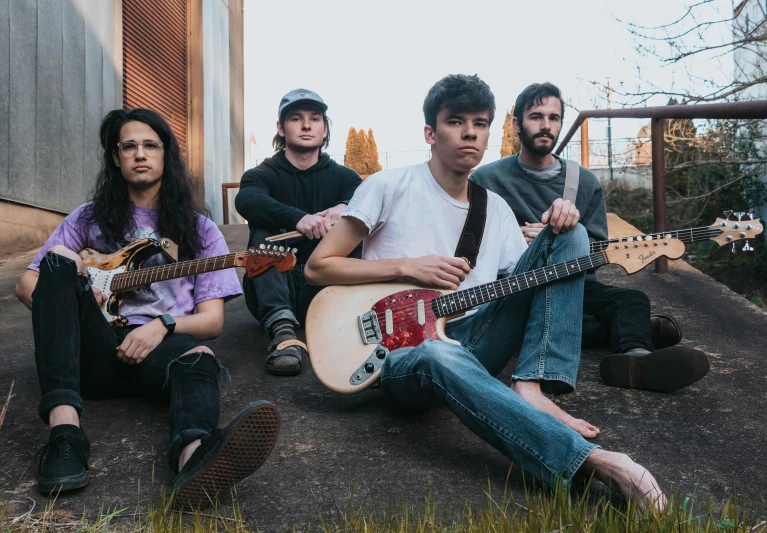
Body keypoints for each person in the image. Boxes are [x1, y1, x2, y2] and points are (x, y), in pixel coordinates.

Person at [304, 75, 666, 512]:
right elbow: (318, 266)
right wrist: (406, 265)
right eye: (455, 121)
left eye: (480, 123)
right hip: (402, 355)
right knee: (438, 354)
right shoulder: (388, 186)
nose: (470, 132)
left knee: (571, 235)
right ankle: (593, 462)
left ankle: (531, 385)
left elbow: (526, 287)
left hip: (475, 338)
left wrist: (560, 225)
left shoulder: (494, 208)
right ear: (430, 133)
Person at [15, 108, 279, 506]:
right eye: (129, 146)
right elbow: (26, 285)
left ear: (165, 155)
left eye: (150, 145)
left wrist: (163, 326)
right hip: (90, 351)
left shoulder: (201, 230)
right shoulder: (86, 219)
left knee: (201, 357)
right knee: (58, 261)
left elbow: (211, 322)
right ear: (116, 158)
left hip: (157, 352)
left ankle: (195, 460)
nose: (140, 153)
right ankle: (65, 437)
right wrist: (73, 299)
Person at [471, 82, 710, 392]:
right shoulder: (486, 179)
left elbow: (596, 254)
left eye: (554, 118)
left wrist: (563, 239)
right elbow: (470, 243)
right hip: (515, 289)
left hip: (571, 285)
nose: (546, 125)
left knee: (632, 299)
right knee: (552, 321)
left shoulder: (582, 181)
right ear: (517, 124)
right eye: (536, 116)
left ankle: (636, 360)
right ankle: (630, 330)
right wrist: (517, 243)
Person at [235, 89, 361, 376]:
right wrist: (298, 219)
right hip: (276, 289)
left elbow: (370, 202)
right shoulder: (261, 174)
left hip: (326, 284)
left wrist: (347, 206)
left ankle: (352, 329)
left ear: (324, 128)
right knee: (264, 234)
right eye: (296, 118)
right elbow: (247, 200)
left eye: (315, 119)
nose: (306, 125)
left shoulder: (345, 178)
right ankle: (283, 334)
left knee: (358, 228)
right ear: (281, 128)